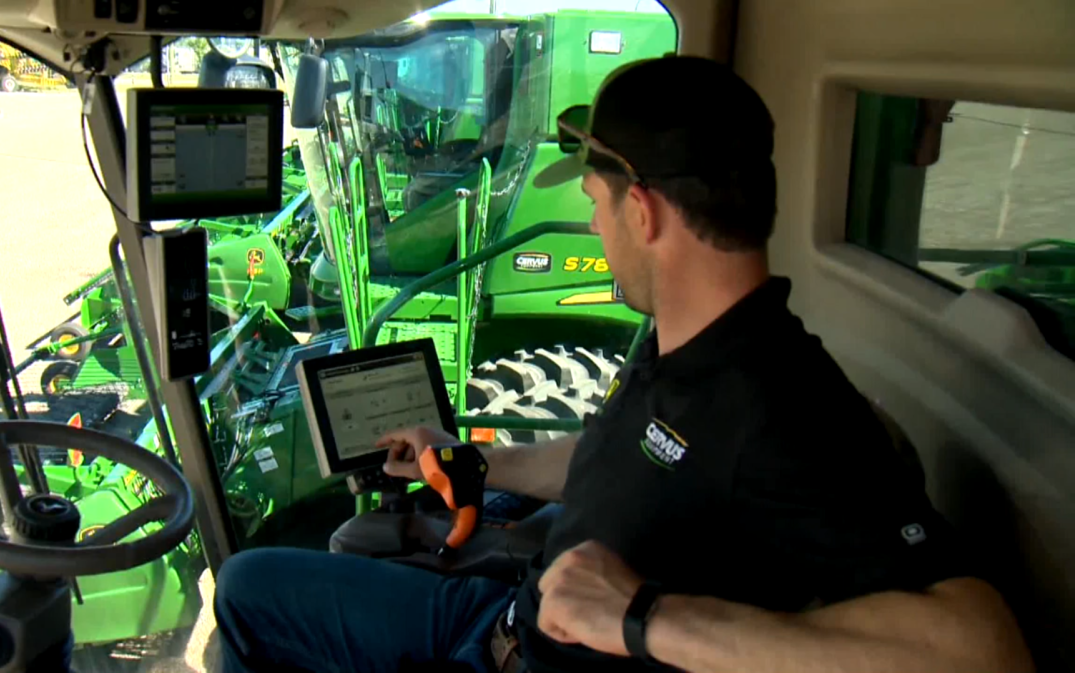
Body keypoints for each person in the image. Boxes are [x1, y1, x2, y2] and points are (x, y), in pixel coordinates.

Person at [213, 55, 1034, 673]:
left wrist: (643, 617)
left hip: (523, 654)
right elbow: (625, 456)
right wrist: (478, 457)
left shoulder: (782, 406)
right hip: (496, 612)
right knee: (246, 585)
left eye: (596, 203)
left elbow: (985, 646)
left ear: (640, 211)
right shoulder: (681, 343)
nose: (596, 227)